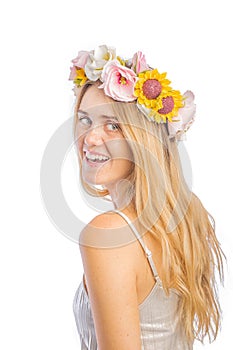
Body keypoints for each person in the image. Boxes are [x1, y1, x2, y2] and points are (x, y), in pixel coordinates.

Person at [69, 45, 224, 350]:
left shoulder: (109, 233)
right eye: (86, 120)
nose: (90, 138)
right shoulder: (184, 216)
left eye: (113, 125)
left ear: (144, 141)